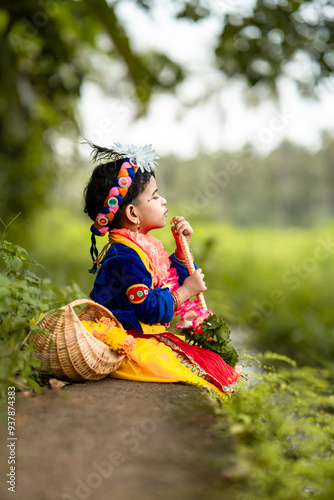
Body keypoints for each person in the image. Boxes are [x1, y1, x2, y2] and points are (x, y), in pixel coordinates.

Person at [83, 142, 242, 396]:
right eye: (155, 196)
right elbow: (149, 309)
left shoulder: (139, 246)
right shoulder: (125, 255)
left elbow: (163, 282)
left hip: (145, 335)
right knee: (201, 372)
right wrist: (186, 292)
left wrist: (181, 252)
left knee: (213, 364)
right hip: (127, 341)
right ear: (133, 214)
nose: (163, 200)